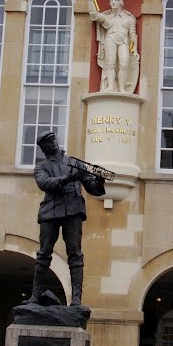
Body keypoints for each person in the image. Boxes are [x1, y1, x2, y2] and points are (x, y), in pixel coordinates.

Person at [27, 130, 105, 306]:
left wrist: (99, 182)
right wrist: (68, 178)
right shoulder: (41, 167)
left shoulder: (74, 162)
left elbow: (92, 188)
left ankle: (76, 298)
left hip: (73, 210)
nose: (52, 143)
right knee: (44, 253)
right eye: (48, 142)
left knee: (75, 254)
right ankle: (35, 295)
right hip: (51, 211)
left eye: (53, 139)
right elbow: (45, 183)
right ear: (43, 148)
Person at [86, 0, 139, 93]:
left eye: (116, 0)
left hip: (124, 41)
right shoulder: (107, 17)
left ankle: (122, 88)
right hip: (110, 39)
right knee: (110, 63)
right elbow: (94, 15)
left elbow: (133, 36)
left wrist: (135, 50)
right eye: (111, 1)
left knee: (124, 64)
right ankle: (110, 86)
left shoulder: (129, 18)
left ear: (121, 2)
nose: (113, 2)